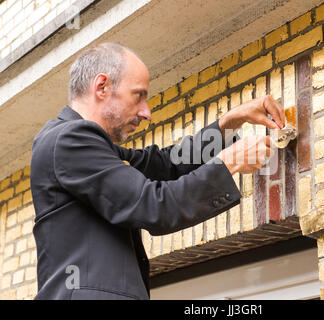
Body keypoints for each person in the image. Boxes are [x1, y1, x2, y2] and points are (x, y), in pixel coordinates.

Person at [30, 42, 285, 300]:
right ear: (102, 87)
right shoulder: (68, 140)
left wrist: (228, 124)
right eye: (138, 95)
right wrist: (230, 162)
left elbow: (164, 166)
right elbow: (154, 205)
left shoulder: (85, 146)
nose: (147, 112)